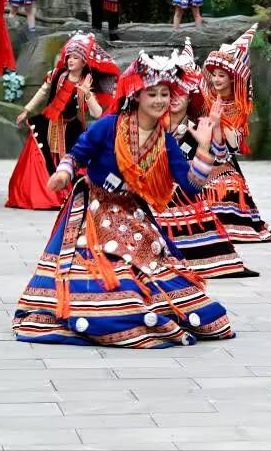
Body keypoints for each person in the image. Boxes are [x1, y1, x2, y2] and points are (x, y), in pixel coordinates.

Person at [12, 51, 234, 348]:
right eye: (152, 94)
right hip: (94, 208)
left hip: (132, 213)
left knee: (185, 297)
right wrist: (63, 174)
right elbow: (77, 154)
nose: (159, 100)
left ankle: (141, 307)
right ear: (137, 95)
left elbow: (192, 185)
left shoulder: (164, 141)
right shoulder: (109, 126)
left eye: (164, 94)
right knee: (106, 271)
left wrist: (204, 147)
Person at [154, 39, 259, 278]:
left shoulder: (198, 125)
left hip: (192, 185)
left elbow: (222, 154)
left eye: (181, 93)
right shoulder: (153, 126)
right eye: (169, 94)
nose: (174, 99)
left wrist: (216, 128)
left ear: (191, 98)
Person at [7, 32, 119, 210]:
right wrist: (27, 110)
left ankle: (65, 194)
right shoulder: (56, 74)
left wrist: (88, 94)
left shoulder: (87, 82)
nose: (71, 60)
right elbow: (43, 92)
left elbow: (97, 113)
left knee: (73, 159)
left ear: (84, 62)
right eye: (69, 57)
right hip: (48, 123)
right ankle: (39, 195)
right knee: (38, 155)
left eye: (75, 57)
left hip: (71, 128)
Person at [200, 25, 271, 243]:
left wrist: (218, 124)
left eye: (222, 75)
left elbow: (232, 147)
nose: (216, 79)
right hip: (196, 154)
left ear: (232, 78)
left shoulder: (239, 108)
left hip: (222, 160)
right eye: (214, 75)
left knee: (228, 186)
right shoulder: (203, 97)